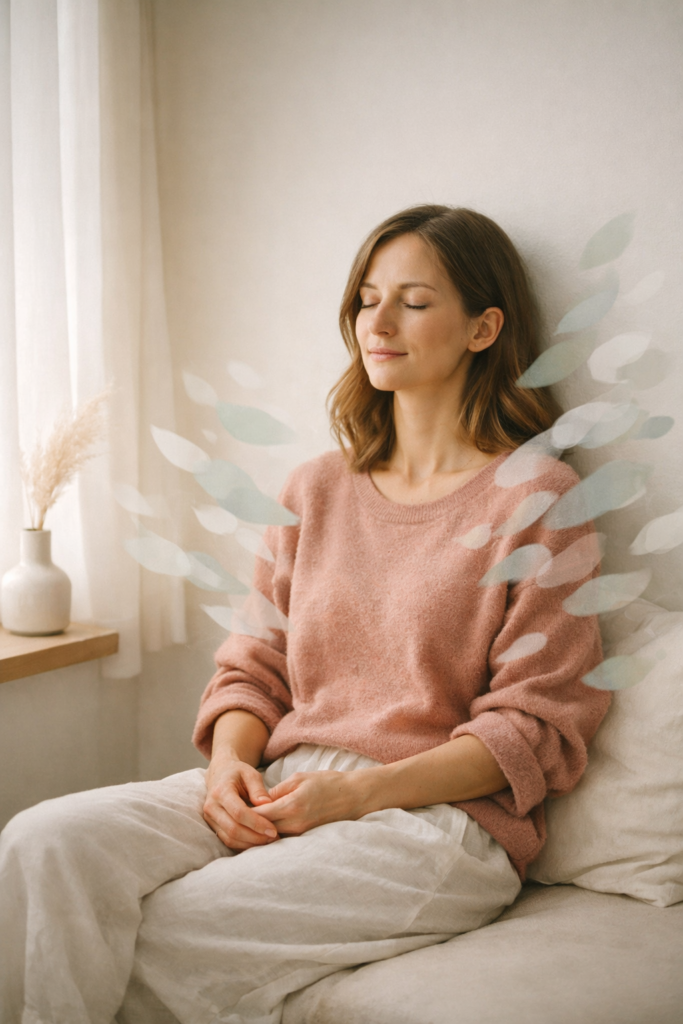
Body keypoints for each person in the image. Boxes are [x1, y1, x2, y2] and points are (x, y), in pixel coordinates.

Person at [0, 205, 611, 1024]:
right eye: (365, 298)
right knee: (41, 843)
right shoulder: (315, 488)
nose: (377, 323)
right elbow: (252, 663)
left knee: (170, 926)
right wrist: (225, 773)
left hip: (436, 824)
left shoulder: (538, 498)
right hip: (286, 779)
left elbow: (536, 724)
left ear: (482, 328)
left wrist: (357, 798)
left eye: (414, 301)